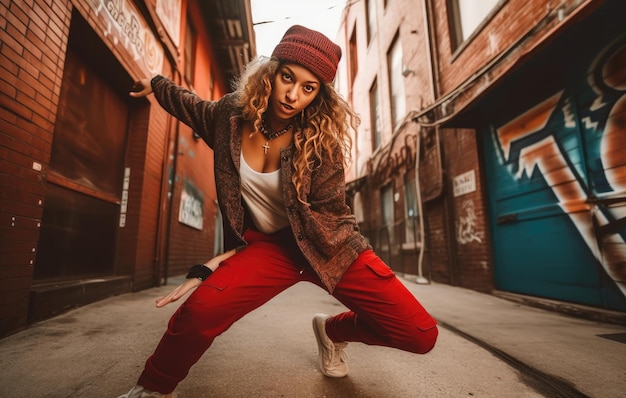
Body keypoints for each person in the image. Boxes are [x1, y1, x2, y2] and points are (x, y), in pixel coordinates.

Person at [120, 25, 438, 398]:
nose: (292, 95)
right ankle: (153, 388)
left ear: (319, 94)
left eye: (309, 87)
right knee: (200, 312)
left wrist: (351, 261)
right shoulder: (229, 119)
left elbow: (332, 214)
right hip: (270, 249)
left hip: (328, 247)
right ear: (271, 71)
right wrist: (155, 84)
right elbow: (190, 105)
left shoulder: (323, 144)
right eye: (288, 77)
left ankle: (331, 332)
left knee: (419, 334)